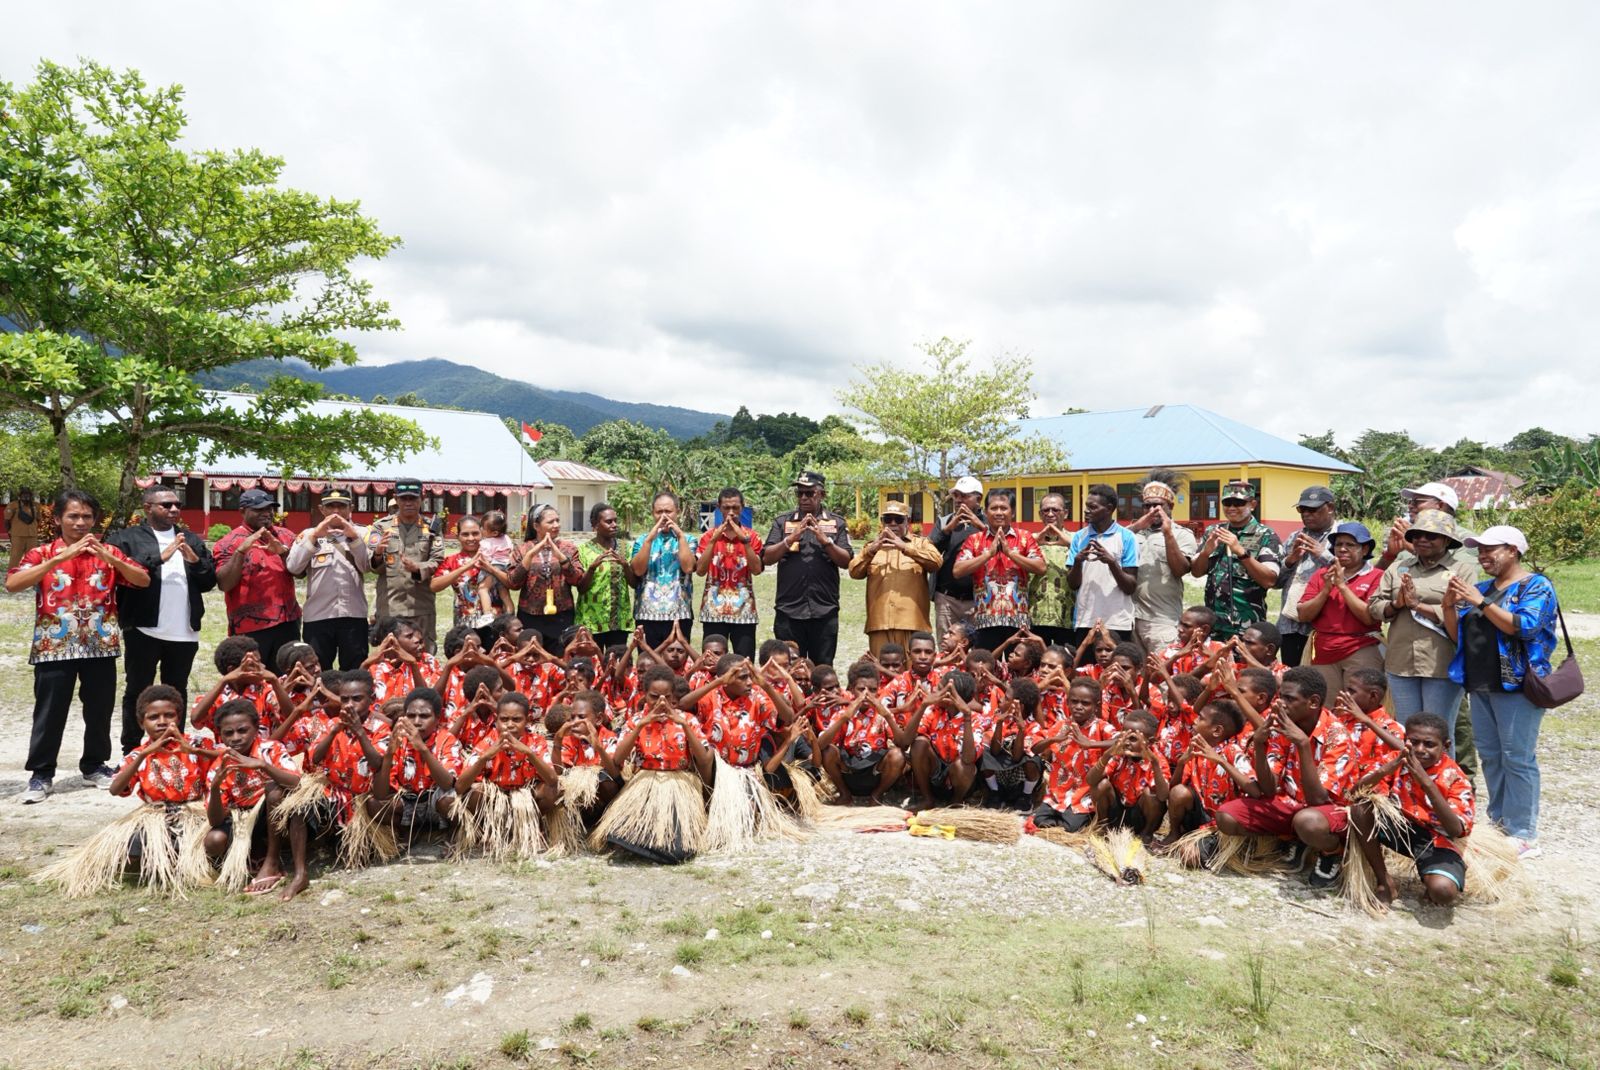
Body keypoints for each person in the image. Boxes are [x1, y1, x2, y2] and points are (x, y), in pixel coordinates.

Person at [7, 489, 151, 804]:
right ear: (58, 519)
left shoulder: (108, 552)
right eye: (73, 516)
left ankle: (94, 765)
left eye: (87, 516)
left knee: (99, 710)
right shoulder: (43, 553)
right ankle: (41, 774)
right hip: (54, 645)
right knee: (49, 712)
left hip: (100, 644)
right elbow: (13, 583)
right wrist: (59, 558)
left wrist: (110, 558)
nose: (81, 522)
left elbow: (142, 580)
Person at [1443, 525, 1557, 859]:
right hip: (1481, 682)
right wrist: (1450, 606)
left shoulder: (1536, 586)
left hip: (1519, 684)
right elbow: (1457, 635)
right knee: (1491, 756)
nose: (1482, 556)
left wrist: (1481, 602)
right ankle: (1499, 821)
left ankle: (1524, 832)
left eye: (1489, 549)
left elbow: (1523, 626)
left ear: (1512, 549)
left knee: (1518, 757)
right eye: (1478, 550)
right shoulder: (1481, 588)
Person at [108, 485, 217, 757]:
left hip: (184, 631)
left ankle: (174, 747)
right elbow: (121, 571)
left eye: (176, 505)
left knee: (176, 691)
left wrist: (194, 562)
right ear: (147, 508)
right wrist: (161, 556)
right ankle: (132, 749)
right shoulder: (127, 538)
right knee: (137, 690)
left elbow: (208, 582)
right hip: (144, 627)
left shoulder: (190, 539)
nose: (174, 510)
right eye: (166, 505)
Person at [1366, 509, 1475, 745]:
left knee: (1438, 733)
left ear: (1447, 540)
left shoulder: (1461, 571)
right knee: (1407, 730)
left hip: (1442, 664)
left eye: (1431, 536)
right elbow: (1374, 605)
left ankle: (1443, 782)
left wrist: (1419, 606)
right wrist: (1397, 604)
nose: (1423, 540)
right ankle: (1410, 781)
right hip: (1401, 663)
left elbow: (1467, 614)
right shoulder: (1399, 568)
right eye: (1417, 535)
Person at [1348, 712, 1474, 908]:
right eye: (1413, 742)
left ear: (1446, 746)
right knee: (1360, 810)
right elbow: (1354, 794)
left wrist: (1427, 783)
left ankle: (1434, 875)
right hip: (1401, 828)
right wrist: (1385, 770)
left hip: (1436, 840)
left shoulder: (1456, 778)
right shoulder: (1397, 760)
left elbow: (1455, 830)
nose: (1420, 749)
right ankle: (1384, 881)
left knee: (1442, 892)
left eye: (1429, 744)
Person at [763, 472, 852, 665]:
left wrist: (826, 542)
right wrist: (789, 539)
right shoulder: (783, 521)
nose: (803, 498)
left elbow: (846, 561)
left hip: (824, 610)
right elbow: (767, 557)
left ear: (822, 494)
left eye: (809, 493)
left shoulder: (836, 523)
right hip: (789, 610)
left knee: (822, 667)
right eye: (800, 493)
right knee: (790, 668)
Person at [213, 489, 302, 671]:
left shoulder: (286, 536)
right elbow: (224, 584)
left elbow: (300, 573)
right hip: (250, 628)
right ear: (242, 511)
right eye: (258, 509)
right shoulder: (228, 543)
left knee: (286, 677)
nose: (266, 513)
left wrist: (283, 552)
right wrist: (240, 552)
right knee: (252, 678)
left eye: (269, 509)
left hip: (288, 622)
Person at [285, 487, 370, 672]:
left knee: (355, 670)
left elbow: (366, 566)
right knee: (318, 670)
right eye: (331, 507)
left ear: (351, 508)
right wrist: (316, 536)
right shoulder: (308, 534)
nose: (336, 512)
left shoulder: (362, 533)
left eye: (342, 506)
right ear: (322, 510)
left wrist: (353, 537)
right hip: (318, 616)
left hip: (353, 615)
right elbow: (293, 567)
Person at [1294, 522, 1384, 697]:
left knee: (1359, 705)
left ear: (1365, 550)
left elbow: (1369, 617)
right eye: (1339, 544)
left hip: (1361, 648)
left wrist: (1342, 586)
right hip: (1324, 650)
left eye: (1350, 545)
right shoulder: (1321, 575)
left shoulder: (1377, 576)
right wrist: (1326, 589)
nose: (1342, 549)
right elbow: (1303, 614)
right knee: (1325, 707)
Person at [952, 489, 1045, 650]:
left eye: (1004, 508)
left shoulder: (1024, 537)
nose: (999, 512)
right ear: (986, 512)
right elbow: (957, 570)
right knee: (985, 667)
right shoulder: (974, 540)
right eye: (994, 508)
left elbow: (1041, 567)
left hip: (1018, 621)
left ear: (1013, 512)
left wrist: (1010, 553)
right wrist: (988, 554)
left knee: (1018, 668)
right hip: (985, 620)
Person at [848, 499, 941, 656]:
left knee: (914, 673)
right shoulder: (871, 547)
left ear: (908, 522)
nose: (892, 524)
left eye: (898, 519)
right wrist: (871, 550)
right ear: (882, 522)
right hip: (879, 623)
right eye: (887, 519)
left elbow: (936, 562)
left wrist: (904, 547)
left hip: (913, 623)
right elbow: (854, 572)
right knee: (882, 673)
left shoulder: (920, 543)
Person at [1190, 480, 1282, 639]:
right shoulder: (1214, 531)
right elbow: (1196, 573)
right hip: (1213, 625)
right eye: (1227, 502)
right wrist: (1206, 553)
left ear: (1252, 504)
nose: (1232, 508)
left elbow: (1269, 580)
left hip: (1247, 627)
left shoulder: (1266, 535)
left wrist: (1241, 552)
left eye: (1238, 503)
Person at [367, 478, 445, 650]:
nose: (408, 503)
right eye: (404, 498)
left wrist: (418, 568)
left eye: (413, 498)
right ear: (396, 498)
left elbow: (437, 560)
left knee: (423, 656)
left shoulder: (431, 528)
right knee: (390, 657)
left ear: (422, 497)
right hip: (390, 606)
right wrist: (378, 553)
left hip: (421, 607)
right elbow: (372, 565)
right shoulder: (381, 527)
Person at [1127, 480, 1197, 656]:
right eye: (1147, 506)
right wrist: (1136, 527)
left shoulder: (1182, 534)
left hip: (1162, 620)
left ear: (1170, 506)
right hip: (1131, 619)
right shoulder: (1135, 533)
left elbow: (1181, 569)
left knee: (1163, 674)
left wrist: (1168, 534)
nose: (1152, 510)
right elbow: (1111, 544)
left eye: (1158, 505)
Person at [1067, 484, 1139, 646]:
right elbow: (1072, 584)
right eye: (1086, 506)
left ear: (1108, 509)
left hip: (1117, 622)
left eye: (1093, 507)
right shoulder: (1079, 537)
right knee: (1084, 671)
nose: (1086, 510)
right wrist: (1078, 562)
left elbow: (1130, 587)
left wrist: (1112, 562)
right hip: (1085, 622)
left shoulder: (1127, 537)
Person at [695, 488, 764, 658]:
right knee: (712, 661)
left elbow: (756, 570)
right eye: (726, 508)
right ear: (719, 507)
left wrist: (745, 542)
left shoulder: (752, 537)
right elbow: (700, 571)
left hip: (744, 611)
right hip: (713, 611)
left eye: (735, 508)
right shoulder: (708, 536)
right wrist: (713, 541)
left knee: (744, 660)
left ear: (743, 507)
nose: (731, 513)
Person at [1275, 486, 1338, 667]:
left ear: (1331, 508)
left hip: (1326, 626)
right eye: (1302, 510)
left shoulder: (1343, 536)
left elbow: (1356, 574)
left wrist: (1324, 554)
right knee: (1293, 678)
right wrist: (1291, 559)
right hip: (1291, 624)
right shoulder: (1296, 537)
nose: (1306, 514)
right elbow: (1276, 582)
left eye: (1313, 509)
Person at [509, 504, 586, 647]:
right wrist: (530, 555)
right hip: (530, 616)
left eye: (557, 520)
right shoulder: (522, 549)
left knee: (560, 658)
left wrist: (561, 557)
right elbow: (513, 583)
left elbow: (578, 579)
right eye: (550, 522)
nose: (556, 525)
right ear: (536, 526)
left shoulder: (568, 548)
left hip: (562, 615)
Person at [631, 492, 698, 649]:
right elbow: (638, 570)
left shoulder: (688, 539)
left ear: (678, 512)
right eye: (659, 512)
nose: (664, 516)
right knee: (648, 663)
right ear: (652, 513)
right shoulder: (642, 540)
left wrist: (680, 536)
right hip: (647, 614)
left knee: (677, 665)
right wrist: (649, 540)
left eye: (668, 511)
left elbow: (688, 567)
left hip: (679, 614)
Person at [929, 476, 985, 645]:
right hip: (947, 600)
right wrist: (948, 529)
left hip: (978, 600)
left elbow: (1000, 549)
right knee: (946, 645)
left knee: (975, 649)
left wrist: (980, 526)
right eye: (956, 495)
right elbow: (930, 551)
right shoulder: (944, 521)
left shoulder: (987, 522)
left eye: (964, 496)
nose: (959, 500)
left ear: (979, 499)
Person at [431, 514, 508, 637]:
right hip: (465, 624)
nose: (471, 538)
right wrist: (466, 567)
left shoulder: (496, 557)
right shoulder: (452, 561)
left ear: (482, 533)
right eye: (465, 534)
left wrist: (491, 568)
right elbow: (434, 586)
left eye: (475, 533)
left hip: (495, 622)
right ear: (458, 536)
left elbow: (512, 583)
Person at [575, 503, 636, 650]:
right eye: (609, 522)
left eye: (615, 520)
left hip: (619, 620)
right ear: (595, 525)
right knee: (592, 665)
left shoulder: (625, 548)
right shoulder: (583, 550)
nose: (614, 525)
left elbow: (634, 584)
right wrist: (591, 568)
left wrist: (625, 565)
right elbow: (581, 588)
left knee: (616, 663)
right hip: (591, 620)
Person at [1029, 493, 1075, 647]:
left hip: (1067, 617)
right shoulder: (1029, 540)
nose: (1050, 514)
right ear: (1040, 514)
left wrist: (1070, 544)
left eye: (1055, 510)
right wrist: (1033, 543)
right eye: (1045, 510)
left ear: (1066, 513)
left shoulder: (1076, 539)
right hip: (1035, 617)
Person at [6, 487, 41, 571]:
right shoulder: (13, 505)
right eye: (24, 494)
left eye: (28, 494)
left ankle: (31, 576)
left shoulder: (36, 506)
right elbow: (7, 520)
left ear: (31, 495)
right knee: (15, 557)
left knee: (32, 557)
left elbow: (38, 519)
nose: (26, 496)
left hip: (32, 535)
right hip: (17, 535)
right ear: (20, 496)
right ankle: (12, 575)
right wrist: (10, 533)